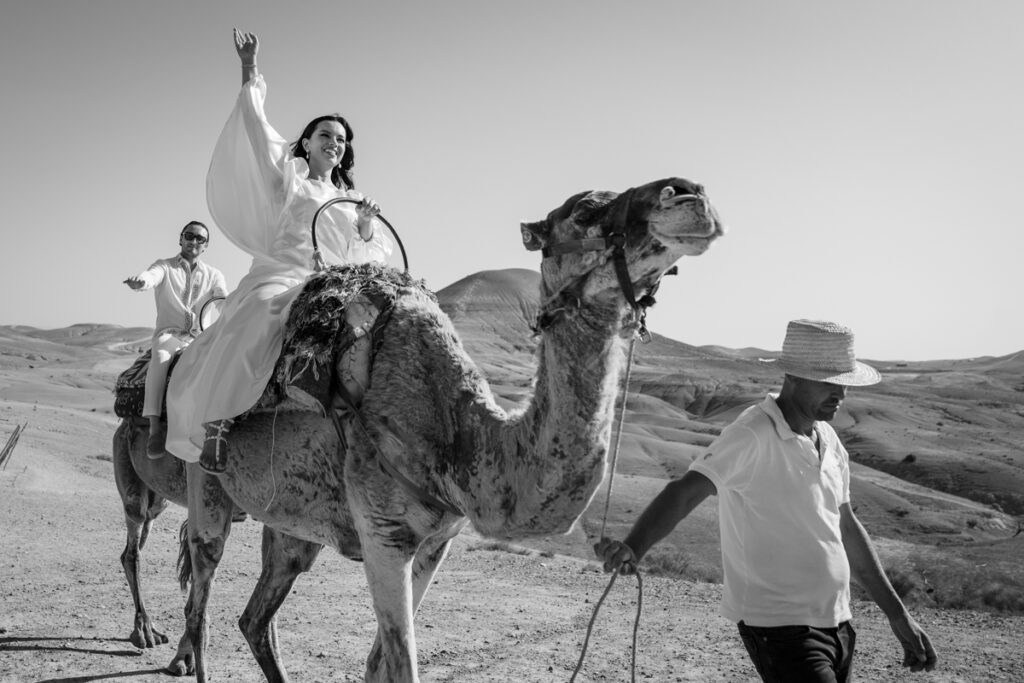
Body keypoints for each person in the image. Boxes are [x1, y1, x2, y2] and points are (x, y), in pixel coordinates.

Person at [595, 319, 938, 682]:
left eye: (844, 382)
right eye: (828, 382)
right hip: (780, 627)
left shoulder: (829, 439)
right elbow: (684, 492)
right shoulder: (752, 433)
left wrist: (897, 614)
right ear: (792, 376)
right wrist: (634, 546)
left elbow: (847, 528)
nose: (841, 394)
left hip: (838, 622)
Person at [164, 29, 392, 474]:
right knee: (255, 320)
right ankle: (217, 421)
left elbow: (368, 252)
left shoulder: (353, 200)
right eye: (326, 134)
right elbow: (256, 130)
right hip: (283, 273)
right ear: (307, 142)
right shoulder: (291, 179)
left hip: (334, 283)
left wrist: (365, 224)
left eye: (342, 139)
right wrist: (249, 67)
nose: (335, 142)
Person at [124, 221, 228, 458]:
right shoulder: (165, 266)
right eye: (189, 236)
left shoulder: (214, 275)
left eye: (200, 239)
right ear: (180, 239)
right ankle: (154, 430)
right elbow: (151, 276)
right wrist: (141, 282)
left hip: (201, 339)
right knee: (160, 357)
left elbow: (223, 300)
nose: (194, 241)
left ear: (206, 246)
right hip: (169, 336)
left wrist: (238, 308)